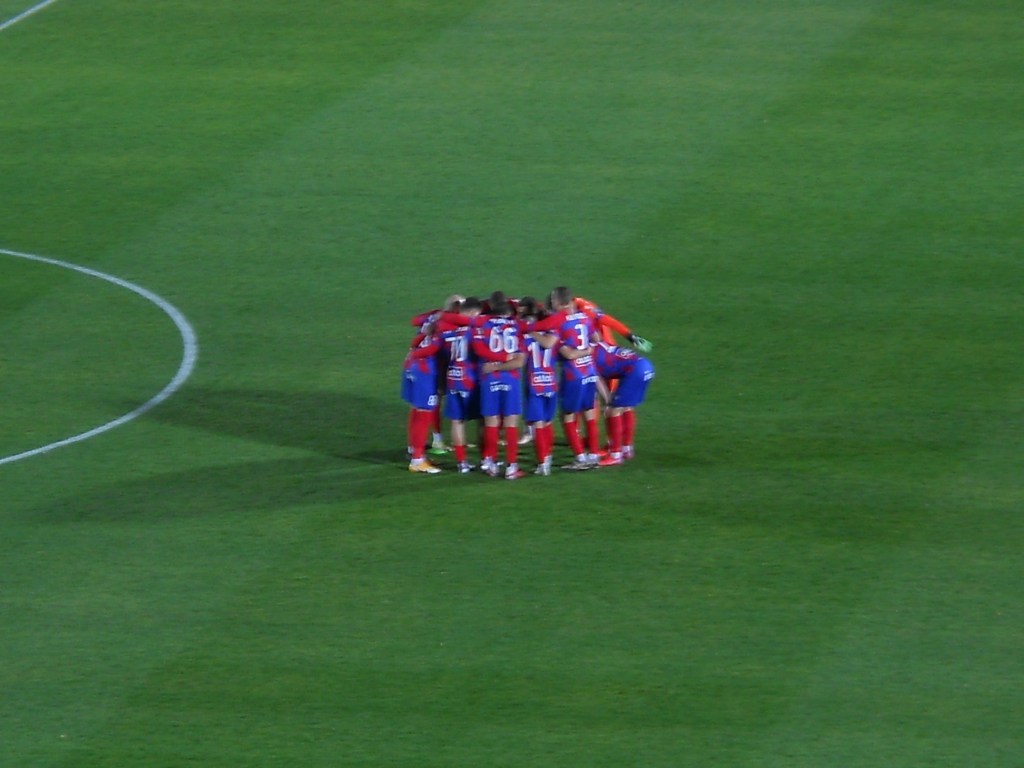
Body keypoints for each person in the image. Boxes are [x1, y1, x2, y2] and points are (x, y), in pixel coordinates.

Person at [527, 286, 601, 470]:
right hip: (589, 371)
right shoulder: (584, 317)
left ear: (557, 302)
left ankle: (580, 458)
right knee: (589, 412)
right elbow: (597, 338)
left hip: (574, 374)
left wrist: (530, 330)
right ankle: (593, 454)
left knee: (567, 416)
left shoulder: (559, 321)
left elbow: (565, 353)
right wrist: (587, 351)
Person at [472, 294, 528, 479]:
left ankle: (490, 463)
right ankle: (511, 466)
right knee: (511, 424)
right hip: (511, 379)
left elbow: (479, 350)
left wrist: (494, 366)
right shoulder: (517, 327)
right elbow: (519, 361)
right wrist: (505, 360)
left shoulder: (482, 324)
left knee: (491, 423)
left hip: (489, 379)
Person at [437, 296, 484, 473]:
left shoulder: (448, 331)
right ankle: (485, 459)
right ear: (472, 312)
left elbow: (442, 358)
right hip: (472, 381)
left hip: (454, 379)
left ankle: (462, 463)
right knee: (483, 420)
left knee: (457, 422)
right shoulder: (475, 331)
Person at [592, 341, 655, 465]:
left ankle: (615, 454)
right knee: (626, 407)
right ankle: (626, 448)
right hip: (645, 366)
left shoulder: (587, 359)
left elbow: (598, 381)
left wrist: (608, 401)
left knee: (612, 410)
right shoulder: (599, 345)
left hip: (635, 371)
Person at [518, 296, 559, 475]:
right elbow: (550, 344)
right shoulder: (552, 331)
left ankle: (543, 463)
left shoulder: (523, 336)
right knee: (548, 422)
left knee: (538, 424)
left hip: (534, 384)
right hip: (551, 382)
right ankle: (548, 457)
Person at [401, 326, 443, 474]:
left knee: (416, 411)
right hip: (425, 372)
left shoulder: (430, 326)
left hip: (412, 367)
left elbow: (415, 342)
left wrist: (414, 354)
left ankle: (415, 452)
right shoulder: (445, 329)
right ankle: (417, 460)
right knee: (424, 415)